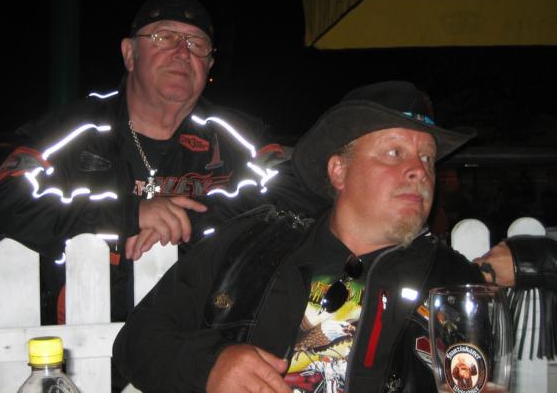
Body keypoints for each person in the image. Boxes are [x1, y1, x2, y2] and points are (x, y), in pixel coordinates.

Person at [112, 80, 488, 392]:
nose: (419, 170)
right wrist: (210, 367)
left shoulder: (453, 281)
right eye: (394, 152)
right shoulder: (251, 245)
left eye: (427, 158)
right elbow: (137, 340)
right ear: (339, 171)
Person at [0, 0, 301, 324]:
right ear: (130, 54)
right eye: (164, 37)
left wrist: (190, 219)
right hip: (87, 338)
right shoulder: (71, 131)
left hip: (209, 337)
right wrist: (128, 215)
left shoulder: (240, 135)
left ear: (209, 65)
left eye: (196, 43)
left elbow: (301, 192)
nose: (182, 52)